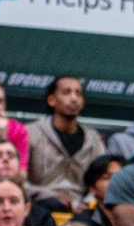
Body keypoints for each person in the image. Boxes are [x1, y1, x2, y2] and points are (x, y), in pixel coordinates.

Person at [25, 76, 103, 209]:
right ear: (51, 100)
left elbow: (102, 179)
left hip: (83, 210)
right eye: (67, 92)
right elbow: (18, 181)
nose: (74, 98)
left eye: (78, 94)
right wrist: (45, 194)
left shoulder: (93, 139)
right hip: (40, 206)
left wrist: (86, 202)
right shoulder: (30, 133)